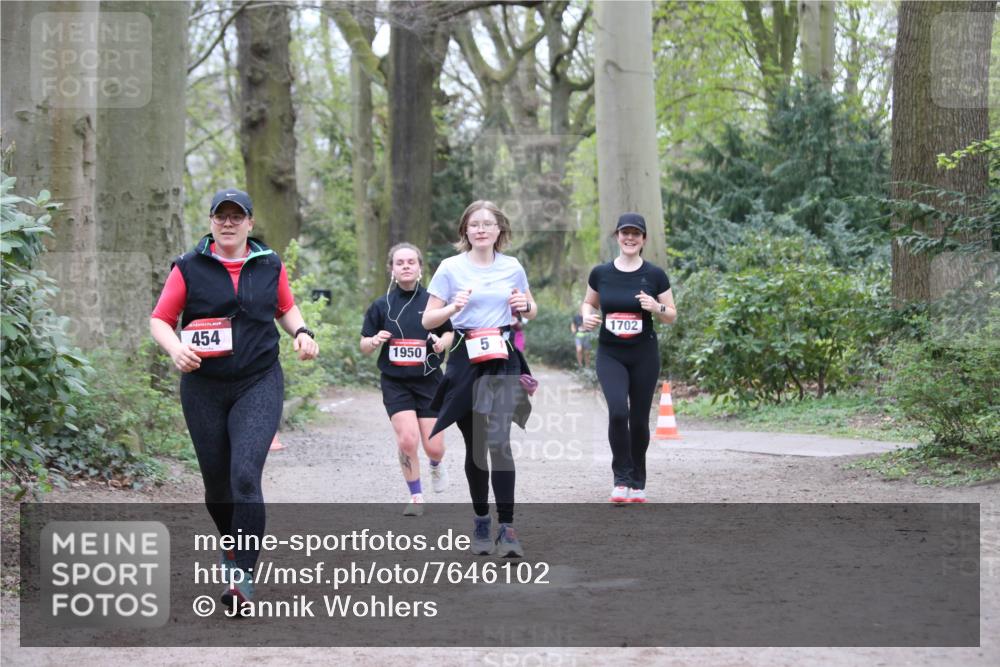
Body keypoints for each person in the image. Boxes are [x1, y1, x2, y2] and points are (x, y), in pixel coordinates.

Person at [150, 188, 319, 612]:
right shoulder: (189, 267)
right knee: (217, 486)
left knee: (245, 476)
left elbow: (285, 307)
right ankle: (230, 546)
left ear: (249, 222)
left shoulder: (269, 263)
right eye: (220, 216)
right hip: (203, 386)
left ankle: (241, 578)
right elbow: (161, 319)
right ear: (211, 222)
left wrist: (301, 332)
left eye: (236, 216)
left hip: (257, 380)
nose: (228, 223)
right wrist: (175, 349)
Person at [422, 200, 537, 558]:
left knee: (499, 443)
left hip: (502, 356)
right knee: (476, 447)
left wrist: (524, 305)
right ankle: (481, 520)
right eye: (475, 224)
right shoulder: (450, 268)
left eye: (488, 223)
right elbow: (428, 320)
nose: (482, 229)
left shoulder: (512, 267)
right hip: (464, 357)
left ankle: (508, 527)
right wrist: (452, 308)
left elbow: (530, 308)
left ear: (499, 230)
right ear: (465, 231)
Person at [580, 213, 676, 504]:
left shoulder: (655, 275)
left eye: (636, 233)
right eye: (625, 233)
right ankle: (620, 479)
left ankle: (638, 481)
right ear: (617, 237)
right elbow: (588, 302)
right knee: (618, 412)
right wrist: (587, 317)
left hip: (644, 353)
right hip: (611, 353)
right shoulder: (601, 273)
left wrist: (655, 306)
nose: (630, 238)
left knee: (638, 418)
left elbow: (671, 315)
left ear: (644, 239)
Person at [361, 243, 454, 516]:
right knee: (407, 440)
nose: (405, 266)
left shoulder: (433, 303)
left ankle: (436, 465)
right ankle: (415, 496)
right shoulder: (381, 306)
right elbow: (363, 345)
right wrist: (374, 340)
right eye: (399, 262)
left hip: (429, 379)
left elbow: (450, 334)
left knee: (434, 447)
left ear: (420, 268)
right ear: (391, 268)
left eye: (410, 262)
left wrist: (440, 343)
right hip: (395, 381)